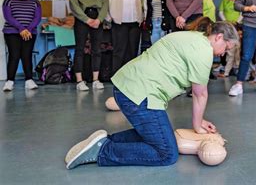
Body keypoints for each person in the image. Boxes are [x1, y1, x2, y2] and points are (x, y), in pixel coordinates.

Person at [64, 18, 239, 169]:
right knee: (166, 153)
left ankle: (105, 141)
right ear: (219, 37)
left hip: (129, 87)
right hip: (140, 95)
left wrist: (201, 121)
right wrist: (197, 125)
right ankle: (103, 151)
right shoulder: (203, 51)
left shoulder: (193, 37)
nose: (224, 53)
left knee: (161, 135)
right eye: (226, 47)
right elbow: (200, 94)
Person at [69, 0, 109, 91]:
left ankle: (96, 80)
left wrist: (99, 19)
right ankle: (80, 81)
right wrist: (86, 19)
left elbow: (105, 4)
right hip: (82, 18)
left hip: (97, 17)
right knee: (80, 49)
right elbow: (74, 4)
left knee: (97, 49)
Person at [2, 0, 42, 91]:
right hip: (12, 32)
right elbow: (8, 17)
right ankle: (10, 81)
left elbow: (37, 18)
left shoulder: (35, 2)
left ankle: (29, 80)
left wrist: (27, 29)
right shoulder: (8, 0)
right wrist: (21, 29)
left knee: (26, 55)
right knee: (14, 55)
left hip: (29, 33)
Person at [107, 0, 143, 74]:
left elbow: (142, 5)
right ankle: (116, 75)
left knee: (132, 51)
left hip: (135, 24)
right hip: (119, 24)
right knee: (119, 51)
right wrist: (109, 19)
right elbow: (105, 7)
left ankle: (129, 75)